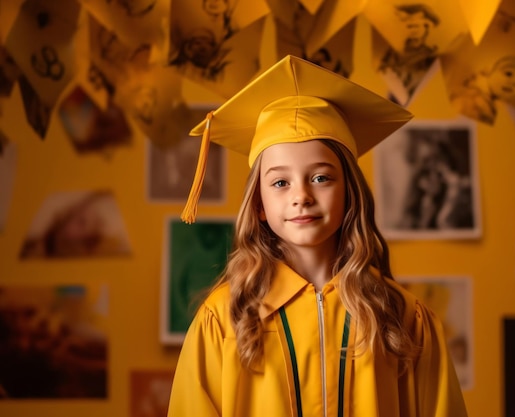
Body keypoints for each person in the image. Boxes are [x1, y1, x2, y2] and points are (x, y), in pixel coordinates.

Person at [168, 55, 468, 416]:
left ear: (350, 193)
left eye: (321, 177)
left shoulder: (404, 318)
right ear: (260, 204)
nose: (301, 196)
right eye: (280, 182)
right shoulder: (224, 320)